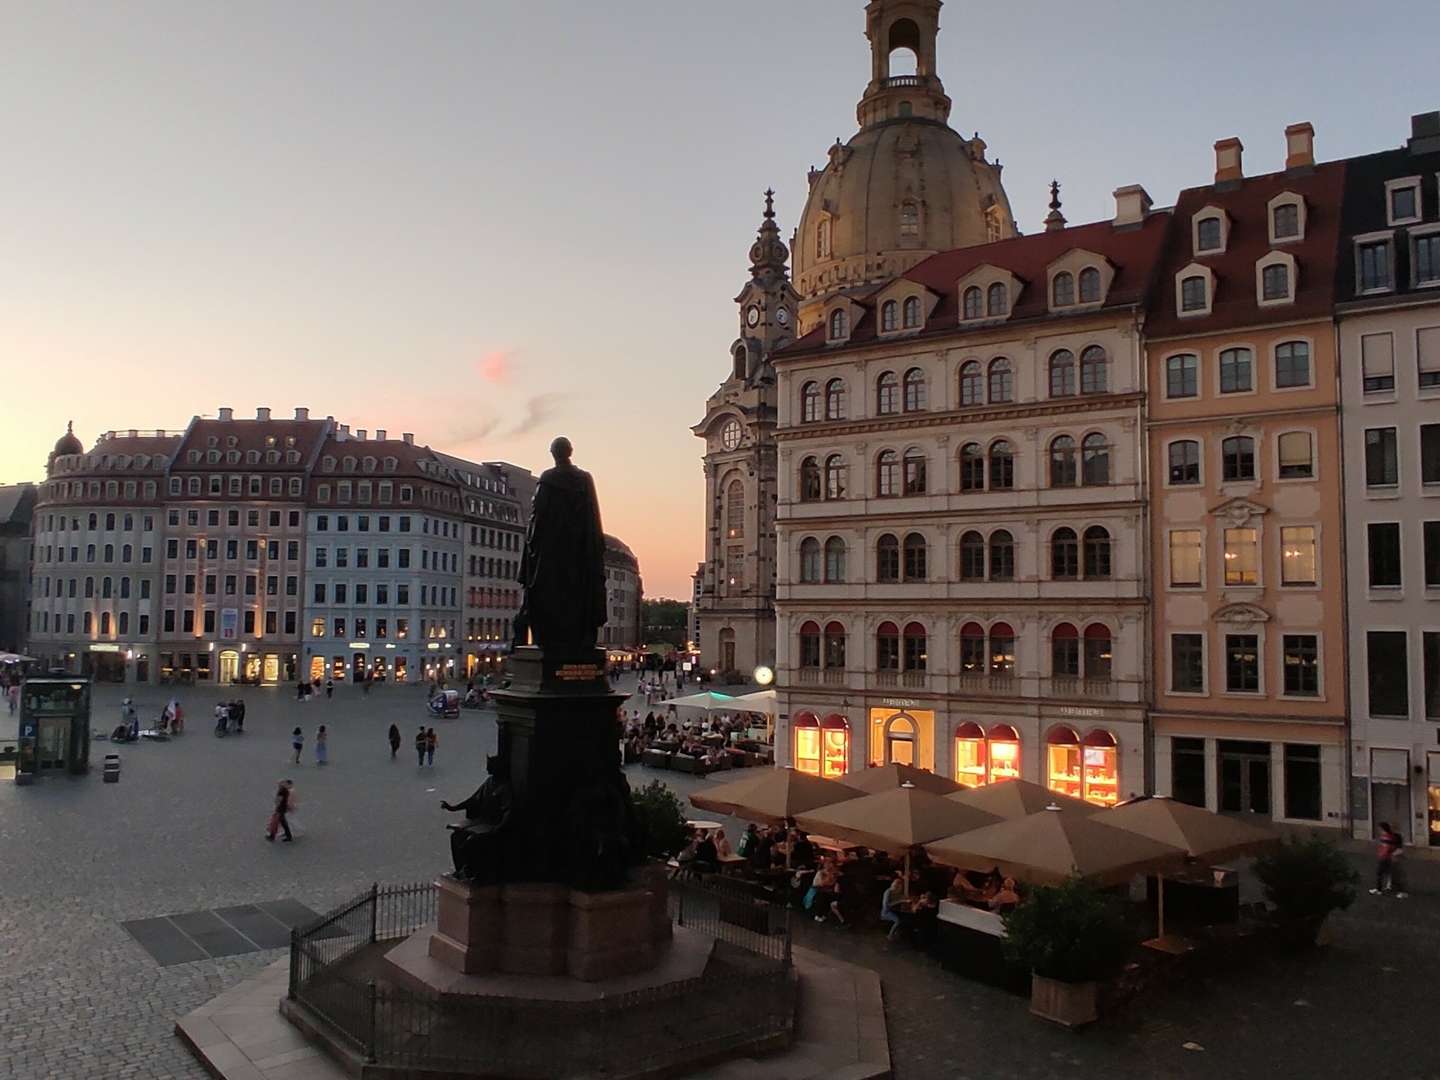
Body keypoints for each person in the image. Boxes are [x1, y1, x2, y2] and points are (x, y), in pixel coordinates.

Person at [1371, 822, 1408, 898]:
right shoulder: (1387, 836)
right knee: (1387, 873)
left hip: (1389, 858)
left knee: (1394, 874)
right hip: (1386, 857)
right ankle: (1384, 888)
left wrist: (1394, 854)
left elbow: (1394, 847)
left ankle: (1399, 891)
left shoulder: (1393, 837)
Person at [880, 871, 906, 941]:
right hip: (886, 912)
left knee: (904, 917)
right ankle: (890, 935)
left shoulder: (895, 892)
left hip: (893, 910)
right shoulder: (888, 892)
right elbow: (886, 905)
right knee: (898, 921)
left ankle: (897, 933)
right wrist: (901, 901)